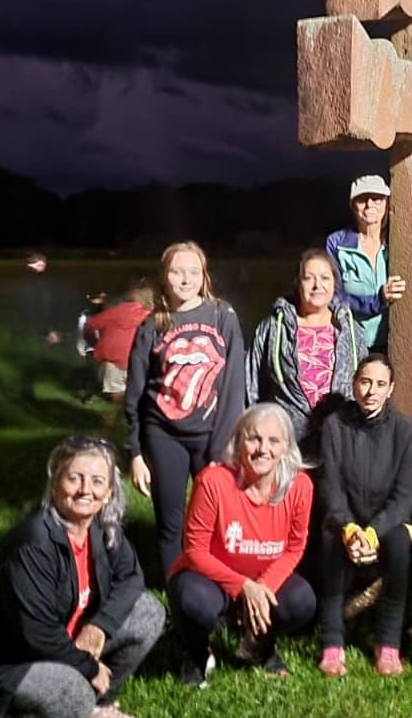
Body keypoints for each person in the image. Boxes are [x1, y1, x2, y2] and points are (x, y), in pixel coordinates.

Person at [0, 436, 165, 718]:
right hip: (5, 661)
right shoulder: (34, 543)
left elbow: (131, 578)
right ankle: (3, 711)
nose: (86, 490)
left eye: (98, 481)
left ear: (109, 492)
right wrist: (89, 667)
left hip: (64, 642)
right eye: (74, 478)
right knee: (74, 692)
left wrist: (99, 626)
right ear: (54, 484)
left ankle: (98, 707)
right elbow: (37, 633)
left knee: (148, 612)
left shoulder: (101, 526)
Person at [123, 242, 247, 577]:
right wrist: (135, 453)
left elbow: (234, 386)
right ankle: (177, 593)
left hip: (211, 437)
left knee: (218, 520)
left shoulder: (222, 316)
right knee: (171, 525)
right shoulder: (152, 326)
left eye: (193, 272)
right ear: (164, 277)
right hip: (164, 436)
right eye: (177, 271)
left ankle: (219, 588)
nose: (185, 279)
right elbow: (136, 394)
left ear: (204, 276)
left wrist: (223, 448)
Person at [169, 403, 315, 685]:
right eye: (254, 438)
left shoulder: (300, 486)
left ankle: (259, 646)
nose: (263, 449)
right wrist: (243, 586)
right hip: (212, 580)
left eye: (274, 441)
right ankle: (197, 655)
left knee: (302, 601)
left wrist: (263, 588)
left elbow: (295, 547)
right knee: (193, 600)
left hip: (263, 581)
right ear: (239, 442)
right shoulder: (212, 481)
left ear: (286, 447)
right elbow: (195, 550)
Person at [313, 354, 412, 677]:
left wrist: (373, 533)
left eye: (380, 384)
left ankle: (388, 644)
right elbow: (330, 485)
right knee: (330, 543)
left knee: (400, 549)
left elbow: (405, 495)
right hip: (344, 519)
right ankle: (332, 643)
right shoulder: (334, 425)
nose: (371, 391)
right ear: (354, 384)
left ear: (391, 389)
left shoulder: (407, 431)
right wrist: (349, 528)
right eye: (365, 382)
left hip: (389, 521)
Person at [246, 248, 368, 453]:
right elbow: (252, 385)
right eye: (309, 278)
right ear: (298, 283)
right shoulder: (274, 328)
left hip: (340, 443)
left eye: (325, 278)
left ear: (335, 283)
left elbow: (364, 384)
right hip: (286, 444)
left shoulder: (351, 331)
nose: (317, 285)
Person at [326, 174, 406, 352]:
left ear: (387, 203)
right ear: (352, 205)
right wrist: (378, 301)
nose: (370, 204)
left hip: (392, 345)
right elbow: (333, 296)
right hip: (351, 344)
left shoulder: (398, 241)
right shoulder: (337, 243)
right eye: (362, 199)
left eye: (377, 199)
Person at [10, 250, 81, 403]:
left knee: (31, 359)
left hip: (24, 328)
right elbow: (40, 309)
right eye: (41, 264)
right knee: (36, 359)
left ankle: (26, 390)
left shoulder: (20, 281)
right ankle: (28, 391)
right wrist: (48, 331)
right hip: (36, 329)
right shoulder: (39, 284)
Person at [81, 277, 154, 406]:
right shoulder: (151, 314)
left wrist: (93, 342)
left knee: (117, 391)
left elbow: (92, 324)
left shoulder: (121, 310)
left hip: (115, 359)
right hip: (136, 359)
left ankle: (121, 412)